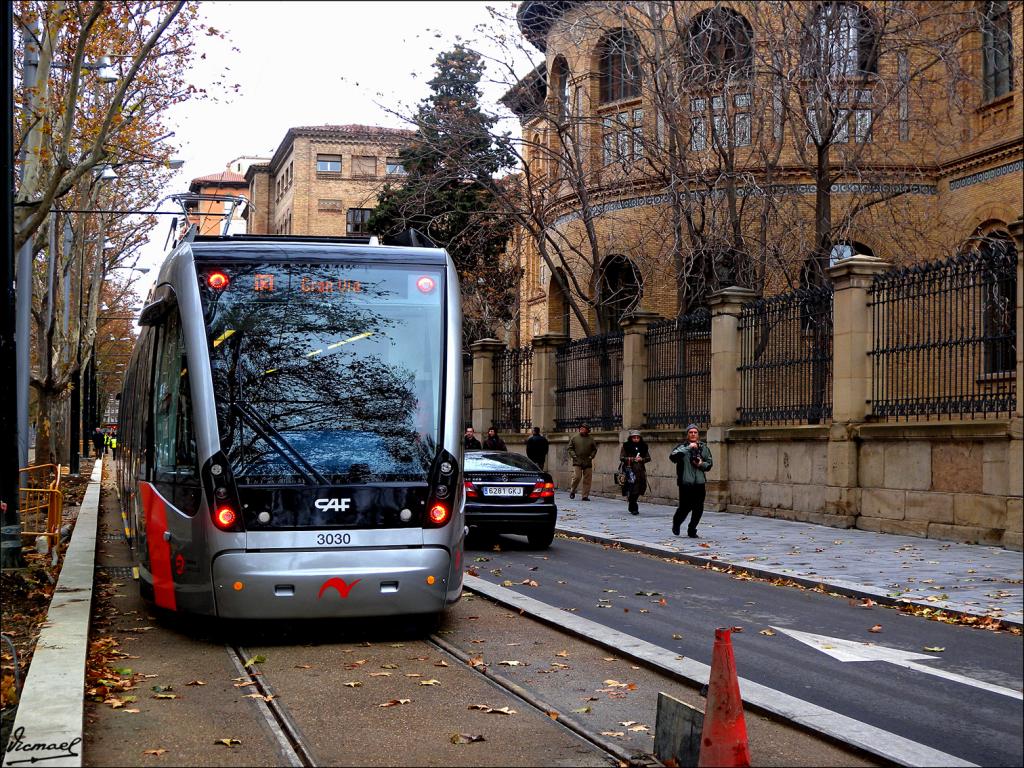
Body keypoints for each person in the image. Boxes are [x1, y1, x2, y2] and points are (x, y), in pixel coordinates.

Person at [669, 423, 713, 538]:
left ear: (698, 434)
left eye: (695, 432)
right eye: (691, 432)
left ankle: (692, 529)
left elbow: (709, 464)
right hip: (685, 483)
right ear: (687, 434)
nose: (693, 434)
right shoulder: (682, 447)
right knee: (685, 507)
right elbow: (673, 457)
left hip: (699, 483)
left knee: (698, 508)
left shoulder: (703, 447)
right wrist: (689, 447)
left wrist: (701, 464)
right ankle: (677, 523)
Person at [618, 429, 651, 515]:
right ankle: (634, 507)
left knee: (640, 488)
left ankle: (632, 503)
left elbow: (648, 458)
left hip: (640, 470)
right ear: (631, 438)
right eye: (634, 437)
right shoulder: (626, 446)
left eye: (637, 437)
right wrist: (632, 459)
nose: (636, 439)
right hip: (630, 470)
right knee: (633, 488)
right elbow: (622, 457)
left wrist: (641, 459)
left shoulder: (643, 446)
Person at [567, 423, 597, 501]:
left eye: (584, 428)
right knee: (577, 477)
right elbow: (570, 448)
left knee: (587, 479)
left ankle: (585, 496)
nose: (582, 429)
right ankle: (573, 490)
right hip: (577, 461)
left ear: (587, 430)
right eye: (581, 428)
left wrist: (591, 456)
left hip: (587, 461)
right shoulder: (574, 438)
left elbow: (594, 449)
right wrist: (574, 456)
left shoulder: (591, 438)